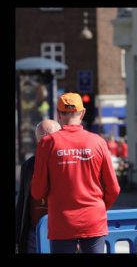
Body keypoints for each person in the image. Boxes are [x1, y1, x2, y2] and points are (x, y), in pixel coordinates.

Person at [31, 92, 120, 253]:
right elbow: (114, 188)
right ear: (83, 112)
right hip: (93, 218)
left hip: (62, 221)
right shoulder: (98, 142)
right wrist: (98, 208)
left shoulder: (47, 143)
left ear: (58, 114)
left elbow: (37, 191)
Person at [16, 119, 61, 253]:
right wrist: (18, 237)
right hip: (34, 233)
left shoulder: (68, 162)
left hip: (63, 233)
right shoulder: (29, 166)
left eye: (50, 138)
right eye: (42, 139)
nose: (46, 143)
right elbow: (22, 202)